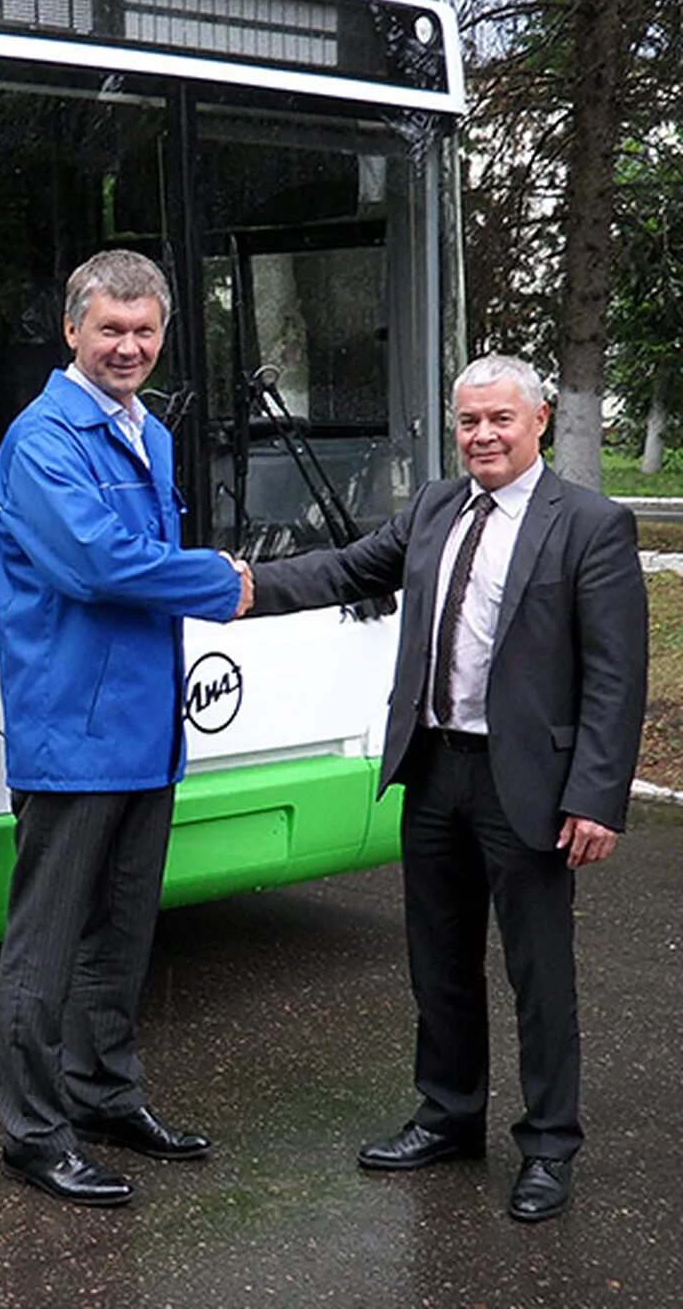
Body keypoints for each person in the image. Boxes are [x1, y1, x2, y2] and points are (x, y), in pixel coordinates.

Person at [244, 353, 647, 1222]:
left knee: (539, 973)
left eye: (500, 419)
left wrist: (596, 796)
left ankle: (548, 1145)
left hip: (530, 783)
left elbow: (616, 676)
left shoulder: (590, 525)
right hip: (435, 766)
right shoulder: (435, 506)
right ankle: (450, 1115)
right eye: (468, 421)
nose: (482, 436)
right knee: (440, 962)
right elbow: (348, 570)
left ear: (539, 420)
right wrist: (240, 586)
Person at [0, 249, 251, 1207]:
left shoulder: (149, 430)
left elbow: (138, 562)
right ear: (73, 332)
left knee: (121, 935)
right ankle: (31, 1132)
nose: (129, 347)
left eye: (145, 331)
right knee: (47, 946)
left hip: (145, 731)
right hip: (74, 733)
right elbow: (99, 566)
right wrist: (226, 582)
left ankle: (103, 1094)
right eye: (111, 329)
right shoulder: (44, 437)